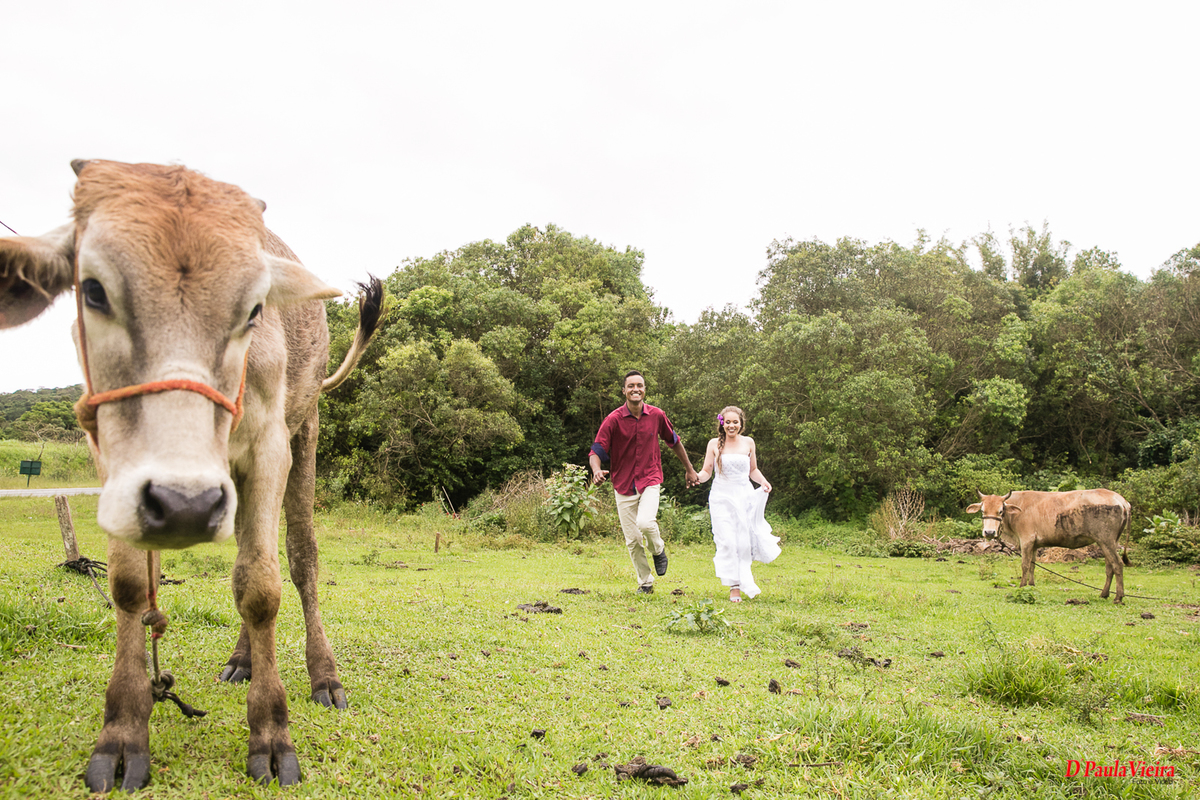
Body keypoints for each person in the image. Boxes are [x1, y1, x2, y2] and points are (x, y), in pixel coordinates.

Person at [589, 370, 700, 594]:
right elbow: (596, 450)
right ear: (624, 391)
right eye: (631, 386)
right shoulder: (613, 419)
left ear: (645, 389)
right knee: (633, 540)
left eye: (639, 385)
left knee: (646, 522)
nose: (635, 389)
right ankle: (645, 583)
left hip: (650, 478)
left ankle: (658, 550)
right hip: (623, 484)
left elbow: (674, 441)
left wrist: (689, 469)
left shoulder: (657, 415)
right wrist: (597, 470)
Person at [693, 406, 780, 602]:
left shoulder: (749, 442)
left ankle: (741, 583)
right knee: (727, 541)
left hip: (743, 496)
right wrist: (697, 477)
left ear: (741, 423)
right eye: (728, 422)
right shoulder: (714, 444)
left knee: (742, 542)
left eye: (735, 422)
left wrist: (764, 481)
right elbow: (707, 471)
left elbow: (753, 470)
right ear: (722, 423)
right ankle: (734, 586)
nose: (731, 425)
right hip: (721, 497)